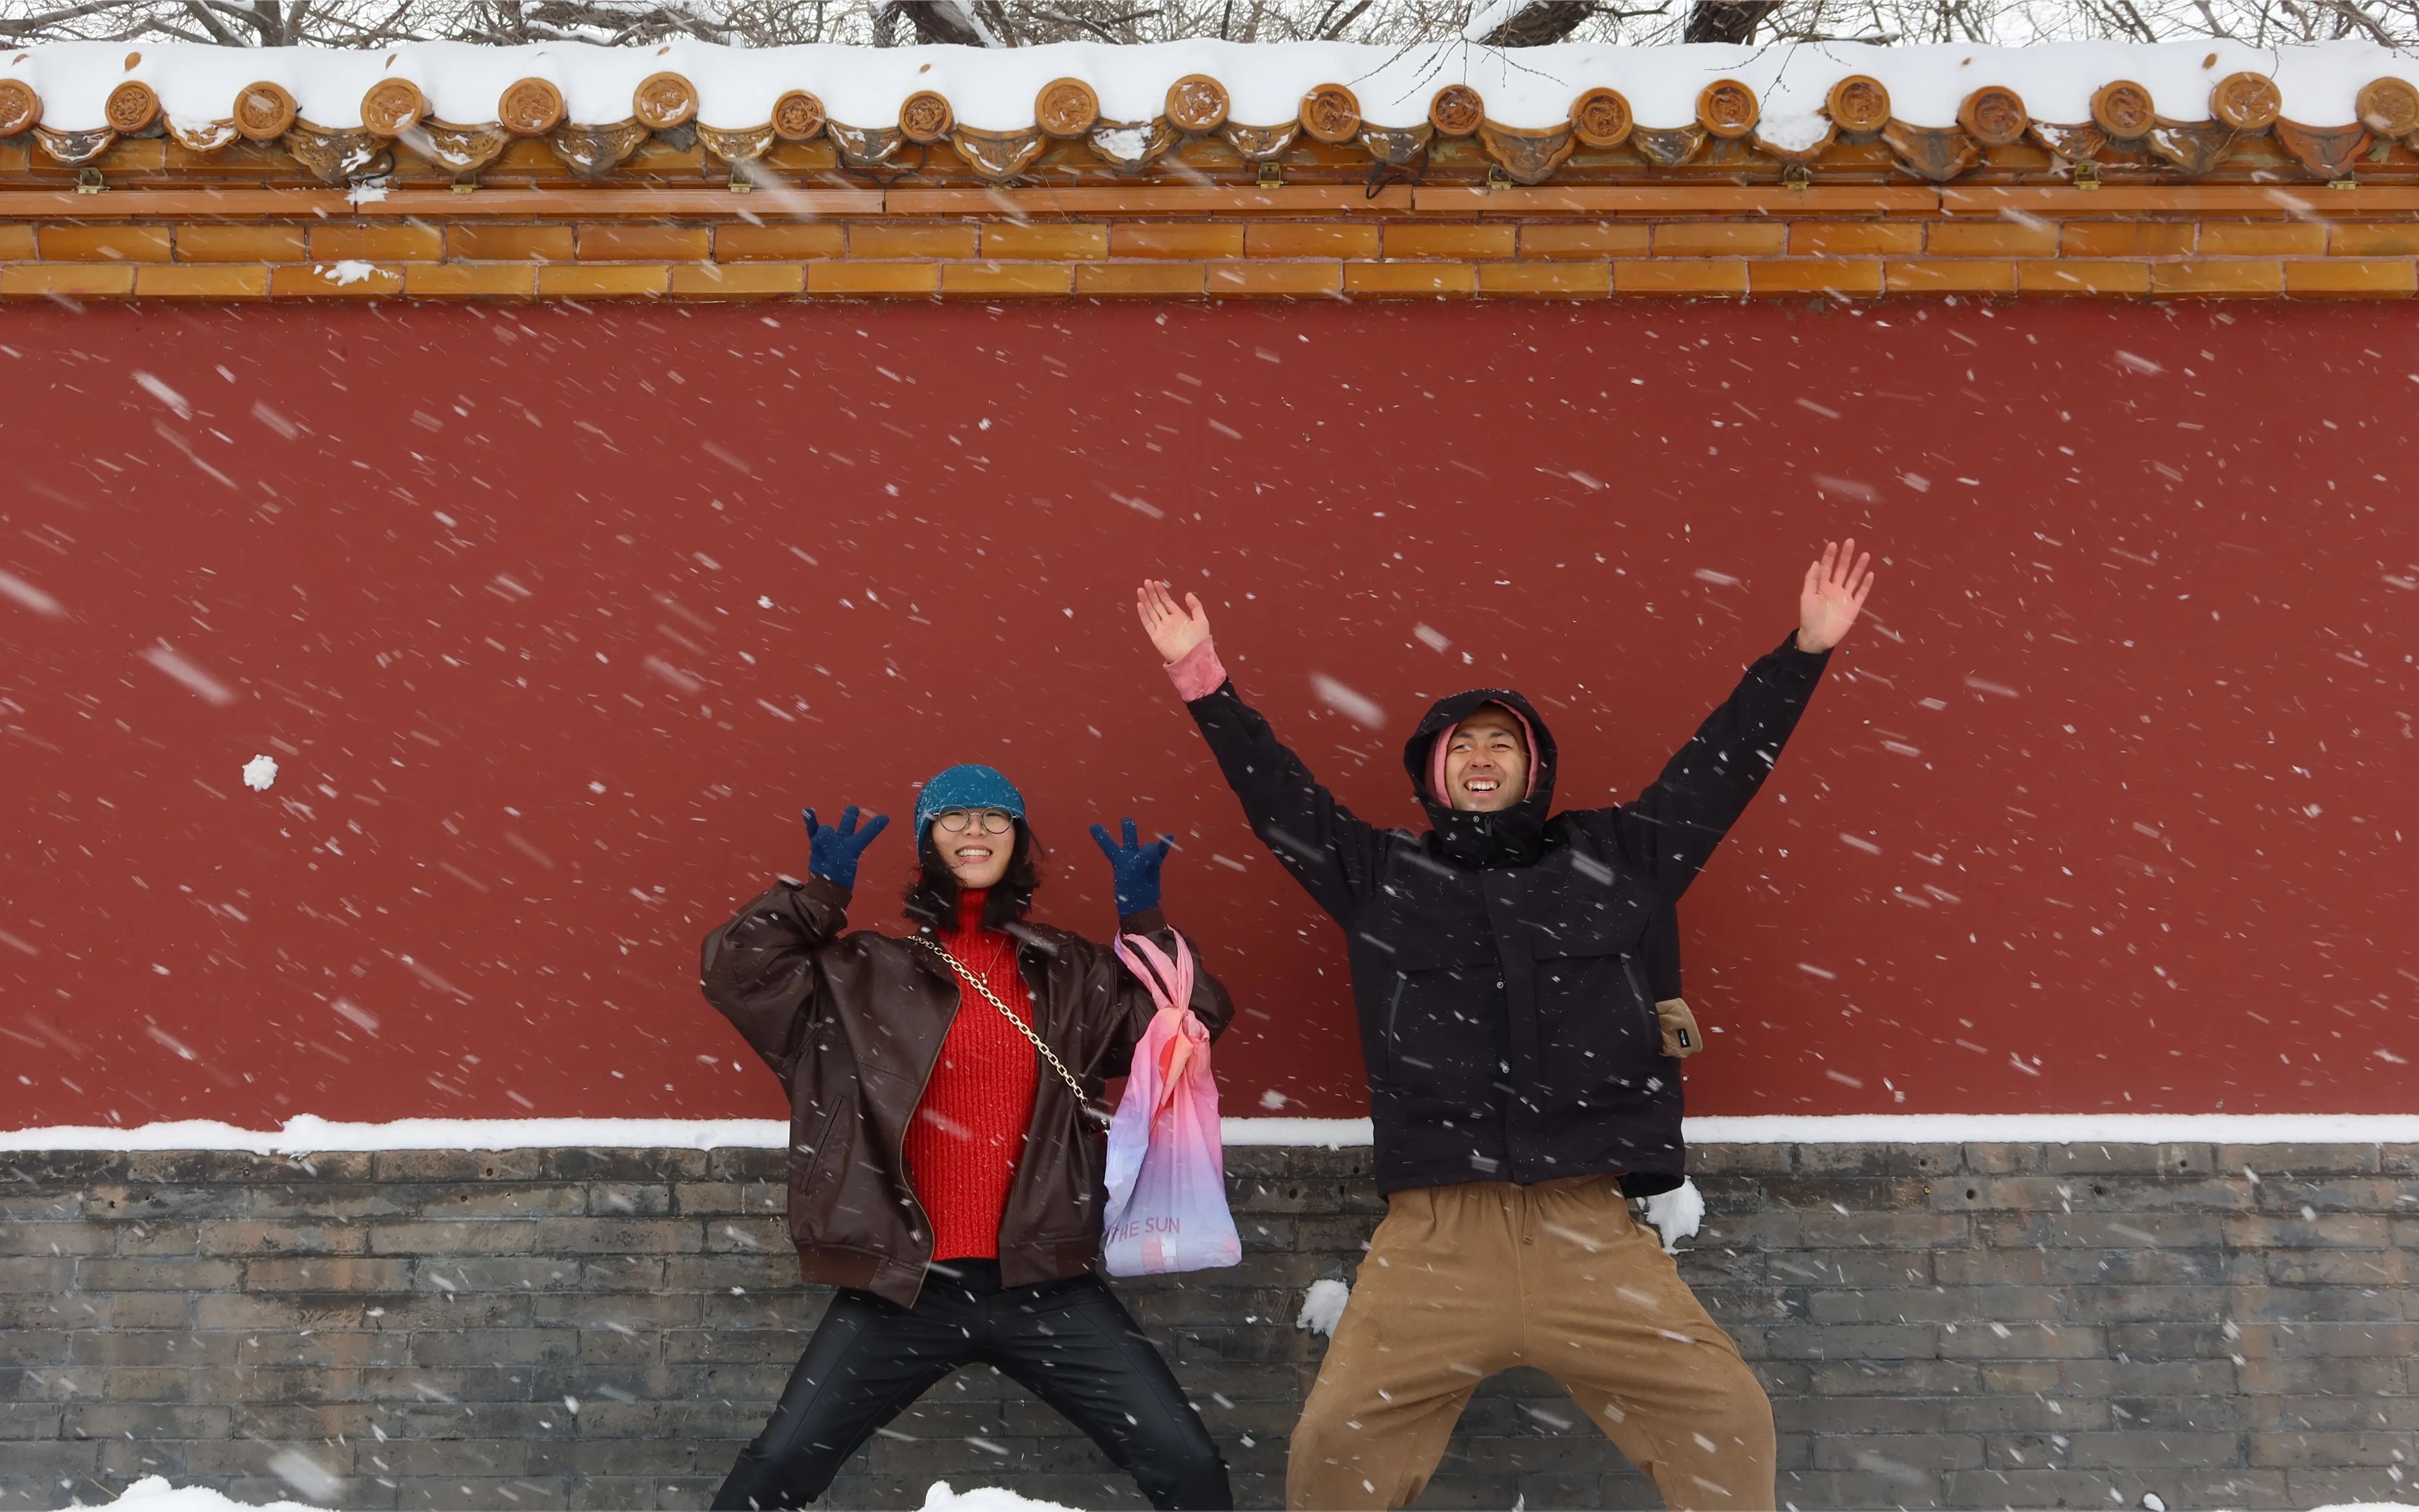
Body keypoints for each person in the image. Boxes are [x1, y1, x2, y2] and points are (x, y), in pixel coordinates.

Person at [1130, 543, 1876, 1512]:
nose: (1483, 759)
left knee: (1728, 1420)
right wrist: (1204, 679)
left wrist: (1803, 652)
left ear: (1533, 768)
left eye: (1503, 745)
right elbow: (1281, 799)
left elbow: (1717, 769)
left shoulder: (1621, 858)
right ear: (1436, 775)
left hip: (1589, 1233)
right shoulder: (1383, 880)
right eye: (1463, 748)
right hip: (1437, 1243)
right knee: (1334, 1447)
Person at [699, 763, 1237, 1511]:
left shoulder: (1069, 971)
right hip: (904, 1288)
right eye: (954, 817)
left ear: (1019, 840)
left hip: (1045, 1284)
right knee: (781, 1465)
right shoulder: (863, 974)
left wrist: (1144, 924)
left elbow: (1190, 1022)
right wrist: (818, 897)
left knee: (1188, 1465)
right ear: (929, 841)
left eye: (995, 817)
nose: (975, 829)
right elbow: (738, 975)